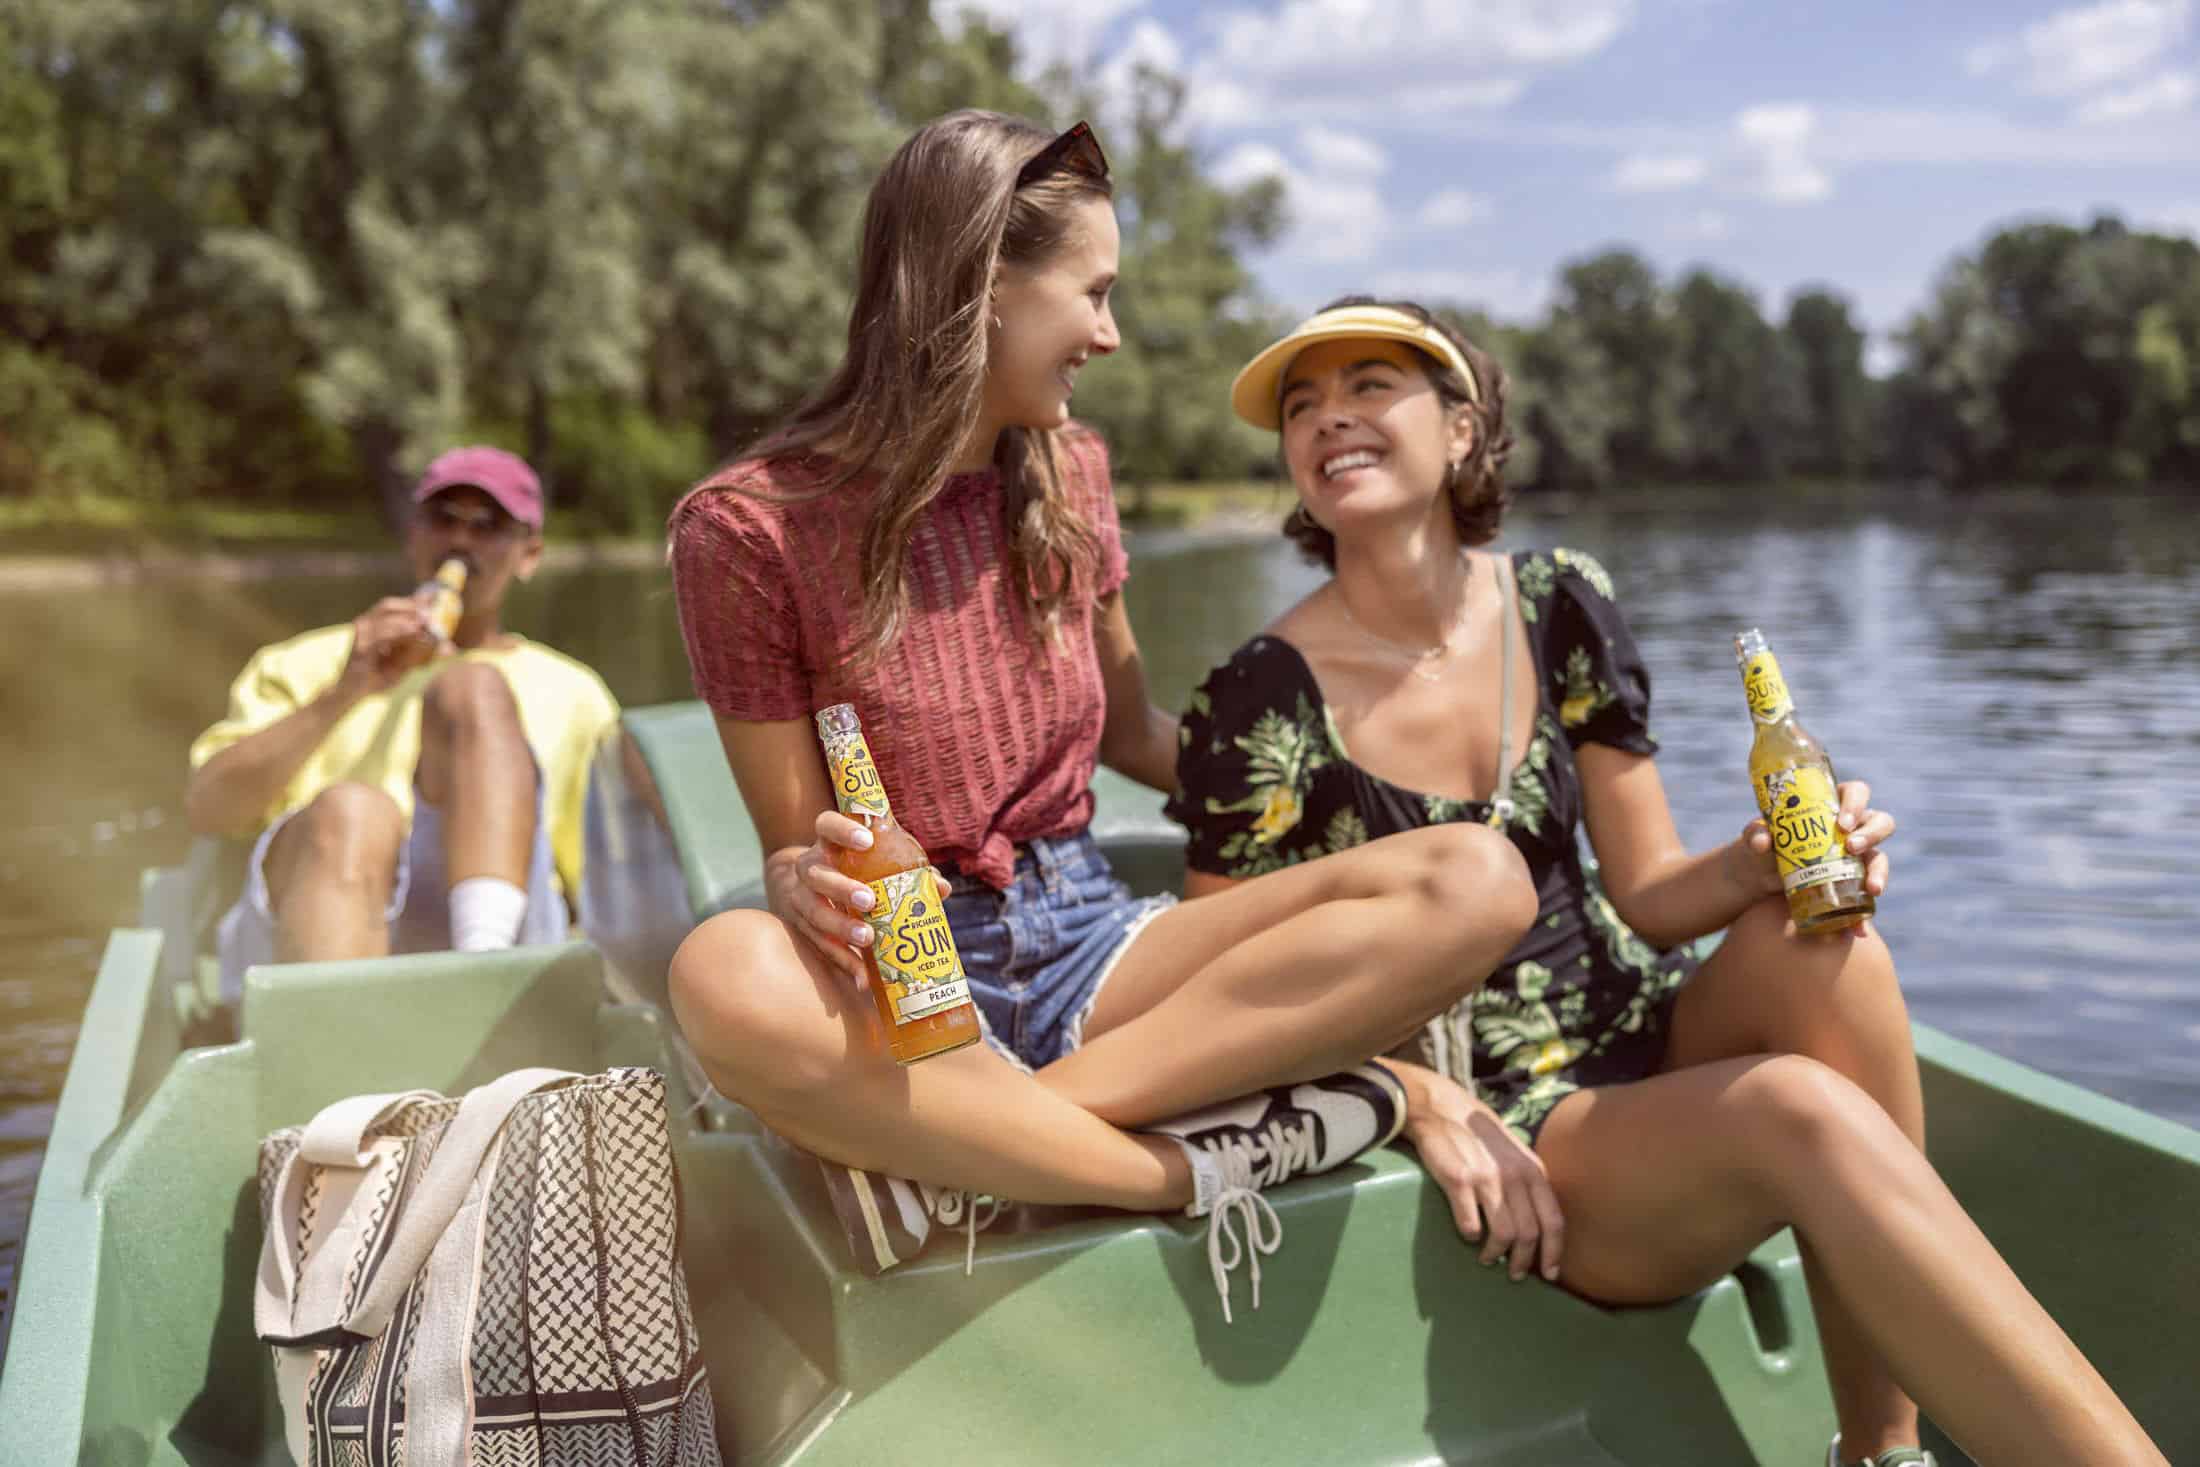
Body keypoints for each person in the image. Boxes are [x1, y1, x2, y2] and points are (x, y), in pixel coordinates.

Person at [1169, 296, 2168, 1464]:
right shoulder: (1255, 700)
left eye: (1368, 386)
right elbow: (1217, 1000)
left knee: (1831, 949)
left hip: (1643, 1027)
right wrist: (1424, 1104)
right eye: (1301, 406)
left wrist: (1766, 865)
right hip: (1520, 1120)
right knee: (1801, 1107)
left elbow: (1646, 891)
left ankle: (1877, 1451)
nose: (1328, 418)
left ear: (1460, 430)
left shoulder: (1558, 603)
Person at [663, 113, 1538, 1312]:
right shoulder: (748, 529)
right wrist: (796, 882)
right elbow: (797, 844)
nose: (1110, 335)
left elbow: (1133, 737)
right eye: (1094, 293)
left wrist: (1351, 831)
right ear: (980, 287)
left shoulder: (1068, 471)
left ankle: (981, 1151)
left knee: (1476, 879)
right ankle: (1158, 1171)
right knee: (723, 975)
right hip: (915, 979)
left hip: (1091, 942)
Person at [187, 446, 622, 998]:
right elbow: (210, 810)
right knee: (353, 811)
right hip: (323, 916)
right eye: (443, 519)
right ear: (413, 533)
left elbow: (602, 884)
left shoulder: (574, 691)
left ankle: (481, 970)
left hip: (512, 937)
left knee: (473, 690)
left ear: (529, 554)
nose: (460, 542)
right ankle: (341, 1042)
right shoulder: (306, 663)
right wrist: (348, 689)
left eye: (488, 526)